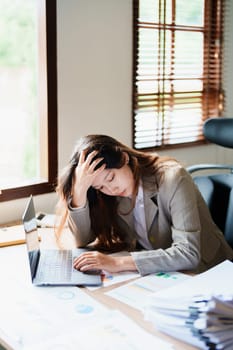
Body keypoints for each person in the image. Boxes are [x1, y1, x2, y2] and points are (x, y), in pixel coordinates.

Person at [56, 134, 233, 276]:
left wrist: (117, 263)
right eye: (100, 187)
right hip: (162, 273)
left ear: (124, 159)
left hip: (207, 272)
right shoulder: (111, 195)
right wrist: (80, 190)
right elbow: (82, 240)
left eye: (110, 178)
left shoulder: (173, 178)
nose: (111, 189)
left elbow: (188, 254)